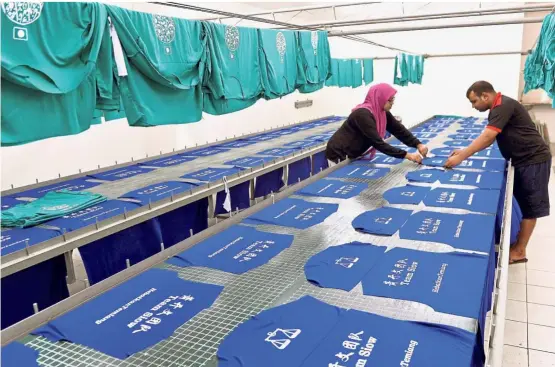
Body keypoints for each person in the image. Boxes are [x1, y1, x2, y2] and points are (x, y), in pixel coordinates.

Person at [445, 81, 551, 264]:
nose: (473, 106)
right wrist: (463, 152)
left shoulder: (501, 106)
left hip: (533, 160)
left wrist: (461, 158)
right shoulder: (500, 106)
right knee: (523, 201)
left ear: (485, 96)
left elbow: (487, 137)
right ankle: (517, 242)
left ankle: (519, 251)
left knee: (530, 206)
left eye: (474, 101)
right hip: (523, 160)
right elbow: (488, 139)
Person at [325, 83, 428, 164]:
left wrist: (418, 144)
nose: (392, 103)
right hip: (339, 153)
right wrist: (407, 155)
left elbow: (398, 130)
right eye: (390, 100)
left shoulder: (382, 113)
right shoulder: (362, 115)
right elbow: (378, 143)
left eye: (393, 99)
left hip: (356, 151)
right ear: (380, 98)